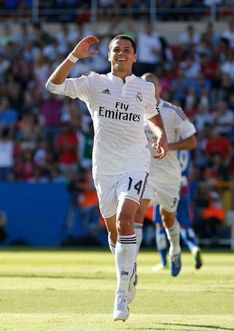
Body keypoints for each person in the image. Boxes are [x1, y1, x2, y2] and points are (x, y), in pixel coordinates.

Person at [45, 35, 168, 322]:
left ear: (135, 57)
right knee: (114, 232)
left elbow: (154, 115)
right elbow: (53, 85)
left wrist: (161, 135)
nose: (121, 54)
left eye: (127, 50)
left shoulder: (145, 88)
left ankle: (121, 293)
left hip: (136, 163)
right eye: (116, 50)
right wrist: (74, 55)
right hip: (105, 168)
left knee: (127, 219)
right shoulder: (93, 82)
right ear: (109, 55)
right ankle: (129, 270)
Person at [134, 72, 197, 278]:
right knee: (138, 211)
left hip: (169, 174)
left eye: (153, 85)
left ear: (160, 88)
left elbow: (192, 141)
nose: (150, 88)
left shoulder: (172, 111)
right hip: (145, 171)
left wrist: (170, 146)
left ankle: (176, 250)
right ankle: (130, 262)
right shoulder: (134, 111)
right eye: (145, 85)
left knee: (167, 217)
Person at [152, 149, 203, 272]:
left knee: (160, 224)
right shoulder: (185, 141)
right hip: (184, 184)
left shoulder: (168, 140)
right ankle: (193, 247)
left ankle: (164, 261)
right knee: (185, 223)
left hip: (166, 184)